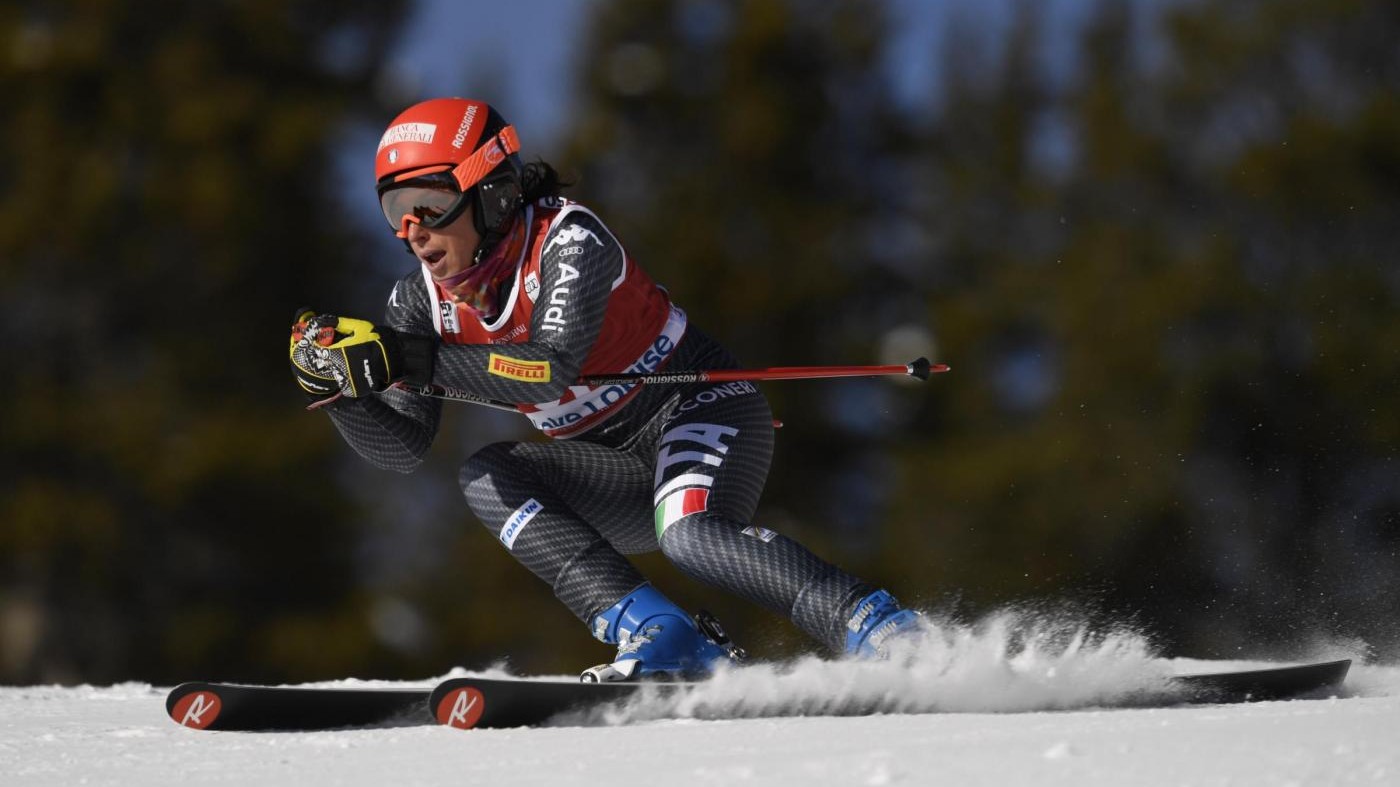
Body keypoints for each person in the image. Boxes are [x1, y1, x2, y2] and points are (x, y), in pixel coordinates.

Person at [289, 97, 920, 681]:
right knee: (486, 475)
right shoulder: (417, 302)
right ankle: (662, 634)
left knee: (691, 534)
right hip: (609, 469)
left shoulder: (568, 238)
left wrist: (405, 357)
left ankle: (879, 627)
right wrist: (346, 391)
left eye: (428, 202)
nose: (413, 231)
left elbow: (549, 367)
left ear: (493, 192)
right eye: (394, 212)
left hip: (692, 411)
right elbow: (403, 448)